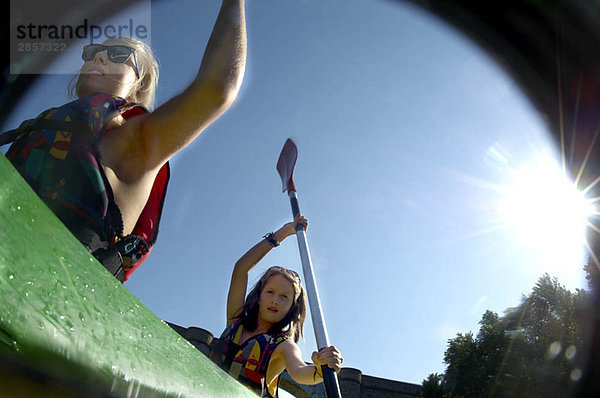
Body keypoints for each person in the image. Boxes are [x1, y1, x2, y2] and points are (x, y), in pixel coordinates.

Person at [1, 0, 247, 282]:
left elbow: (217, 89)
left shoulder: (134, 142)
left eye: (119, 54)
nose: (99, 58)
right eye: (93, 51)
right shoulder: (44, 127)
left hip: (47, 292)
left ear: (138, 84)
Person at [209, 214, 343, 397]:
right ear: (259, 296)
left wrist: (321, 369)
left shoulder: (284, 346)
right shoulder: (235, 320)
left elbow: (301, 372)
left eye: (284, 297)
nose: (275, 301)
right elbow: (241, 268)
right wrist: (285, 232)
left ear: (292, 308)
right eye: (270, 292)